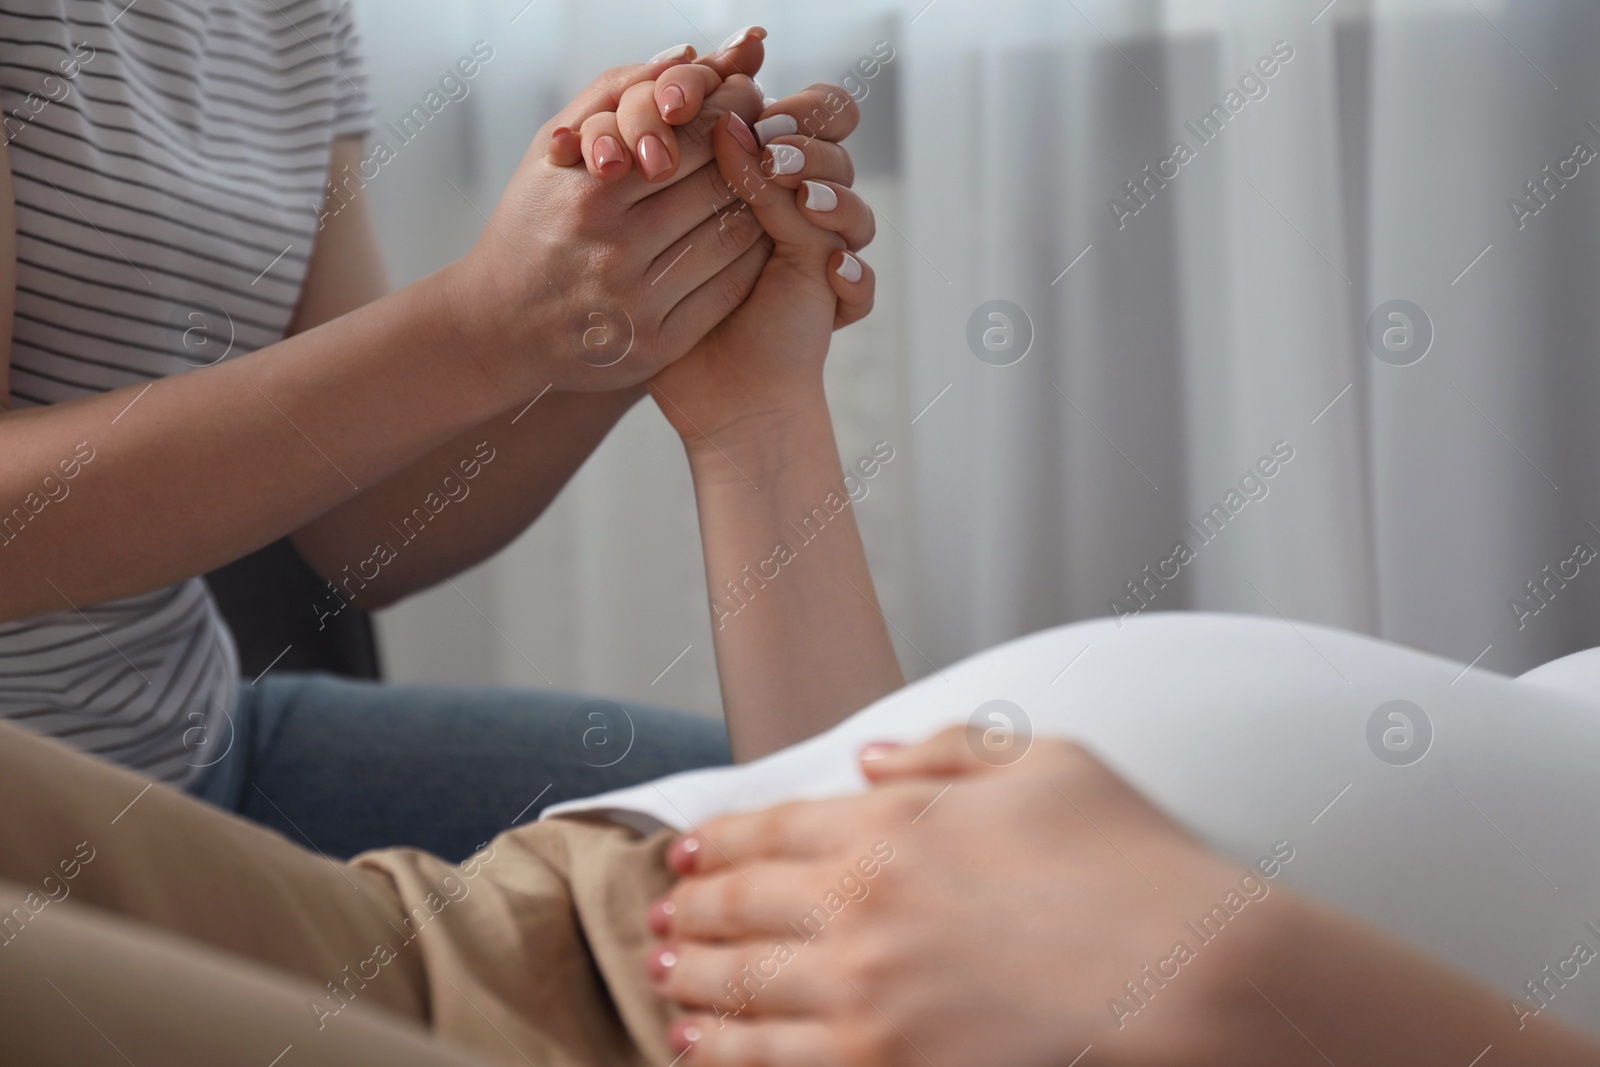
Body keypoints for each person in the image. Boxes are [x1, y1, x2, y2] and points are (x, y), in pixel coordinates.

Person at [0, 5, 892, 861]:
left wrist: (642, 313)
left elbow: (369, 535)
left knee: (879, 835)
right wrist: (488, 320)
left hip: (192, 743)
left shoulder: (292, 13)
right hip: (34, 802)